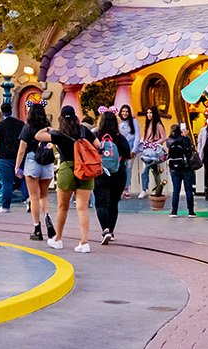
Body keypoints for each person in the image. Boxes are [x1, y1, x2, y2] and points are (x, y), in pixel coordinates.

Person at [44, 105, 96, 252]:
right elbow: (97, 144)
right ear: (75, 117)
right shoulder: (83, 130)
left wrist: (48, 129)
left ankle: (58, 239)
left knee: (63, 207)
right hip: (85, 169)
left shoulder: (59, 133)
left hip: (67, 169)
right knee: (83, 208)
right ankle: (84, 242)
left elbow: (38, 136)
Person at [91, 109, 133, 244]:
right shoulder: (120, 138)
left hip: (100, 174)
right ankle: (112, 231)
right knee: (113, 203)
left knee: (101, 203)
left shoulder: (95, 136)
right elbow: (127, 154)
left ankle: (106, 229)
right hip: (118, 174)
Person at [16, 103, 56, 240]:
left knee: (34, 197)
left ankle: (37, 229)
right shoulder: (48, 128)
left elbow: (22, 149)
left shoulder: (27, 129)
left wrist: (17, 167)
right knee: (43, 196)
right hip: (46, 161)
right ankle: (48, 218)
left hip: (32, 160)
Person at [0, 102, 25, 213]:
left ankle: (6, 206)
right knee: (23, 178)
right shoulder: (20, 124)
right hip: (19, 155)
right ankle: (28, 200)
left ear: (2, 112)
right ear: (11, 110)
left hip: (4, 156)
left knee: (7, 182)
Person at [167, 121, 197, 217]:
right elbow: (191, 149)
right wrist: (185, 136)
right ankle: (191, 211)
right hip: (186, 167)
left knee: (176, 190)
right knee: (188, 190)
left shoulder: (169, 141)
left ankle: (174, 211)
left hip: (174, 168)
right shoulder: (185, 139)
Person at [136, 113, 167, 202]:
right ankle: (144, 189)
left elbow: (163, 137)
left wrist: (155, 144)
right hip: (147, 151)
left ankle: (157, 189)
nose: (149, 115)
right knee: (145, 170)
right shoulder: (148, 125)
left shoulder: (158, 125)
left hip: (155, 151)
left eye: (151, 113)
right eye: (148, 113)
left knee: (155, 171)